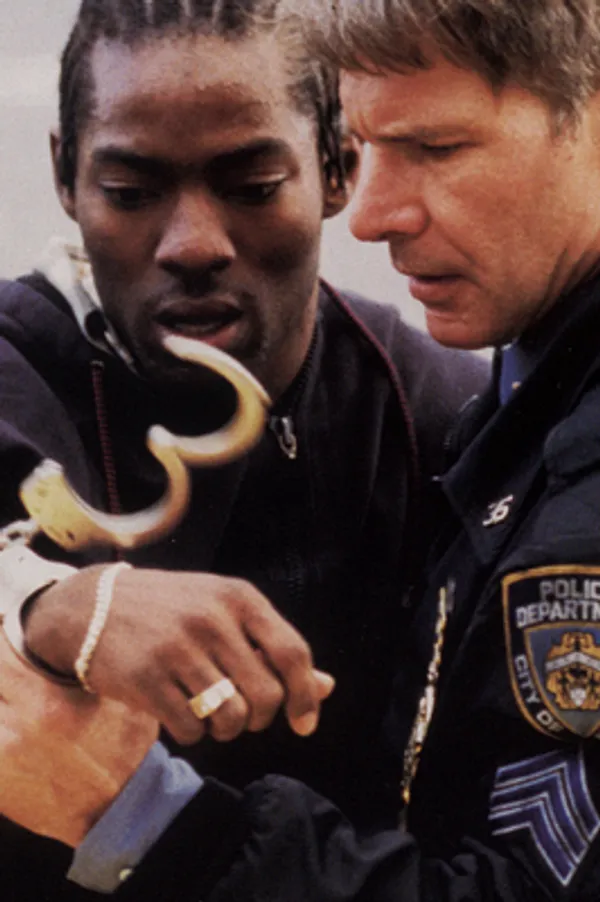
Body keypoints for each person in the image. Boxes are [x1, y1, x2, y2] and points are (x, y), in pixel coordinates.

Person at [5, 0, 600, 899]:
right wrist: (43, 601)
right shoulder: (18, 366)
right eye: (131, 192)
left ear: (328, 167)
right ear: (64, 174)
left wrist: (154, 823)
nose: (193, 244)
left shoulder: (436, 406)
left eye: (251, 186)